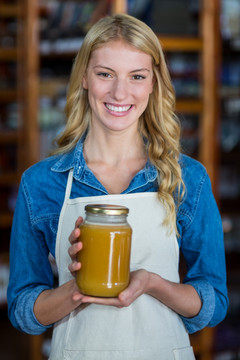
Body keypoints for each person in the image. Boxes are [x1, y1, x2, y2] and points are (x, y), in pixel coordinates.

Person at [7, 13, 228, 360]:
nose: (119, 92)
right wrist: (77, 291)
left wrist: (151, 283)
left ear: (153, 83)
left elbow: (212, 303)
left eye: (136, 76)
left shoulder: (187, 178)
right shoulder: (42, 183)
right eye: (105, 74)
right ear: (84, 77)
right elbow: (23, 311)